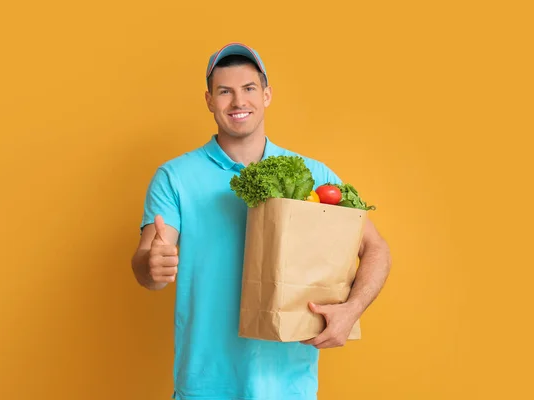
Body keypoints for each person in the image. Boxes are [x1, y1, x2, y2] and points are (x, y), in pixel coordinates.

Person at [131, 42, 391, 400]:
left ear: (267, 95)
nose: (238, 102)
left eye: (249, 89)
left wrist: (351, 310)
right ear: (209, 100)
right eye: (225, 92)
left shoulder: (314, 174)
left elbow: (376, 248)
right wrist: (152, 264)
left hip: (289, 385)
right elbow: (149, 261)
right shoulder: (175, 176)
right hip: (205, 384)